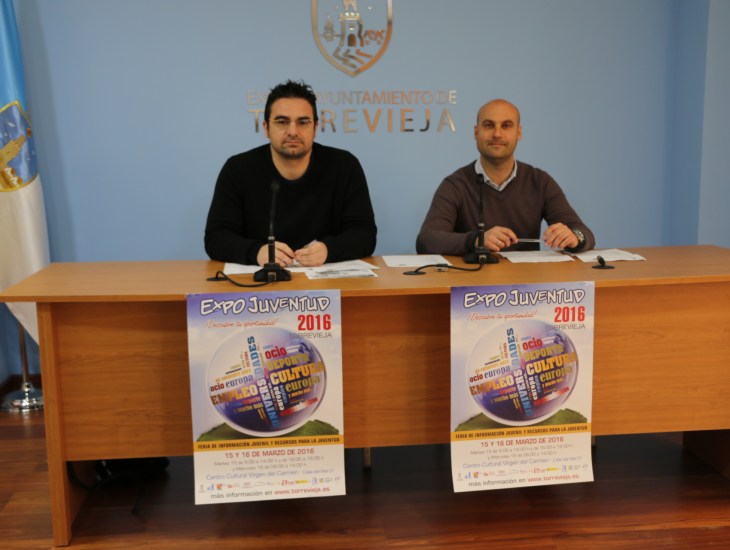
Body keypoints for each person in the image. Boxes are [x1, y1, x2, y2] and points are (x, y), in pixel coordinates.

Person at [205, 80, 377, 267]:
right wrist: (257, 252)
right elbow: (216, 237)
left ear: (315, 128)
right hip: (260, 281)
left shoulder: (344, 166)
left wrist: (329, 250)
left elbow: (364, 234)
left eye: (303, 122)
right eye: (282, 122)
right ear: (266, 127)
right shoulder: (238, 169)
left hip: (325, 280)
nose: (293, 131)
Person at [416, 99, 594, 256]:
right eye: (489, 125)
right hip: (471, 281)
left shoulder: (540, 181)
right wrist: (477, 240)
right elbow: (427, 240)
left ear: (519, 132)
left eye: (506, 126)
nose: (497, 134)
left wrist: (575, 237)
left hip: (526, 281)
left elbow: (584, 233)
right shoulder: (455, 184)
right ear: (476, 132)